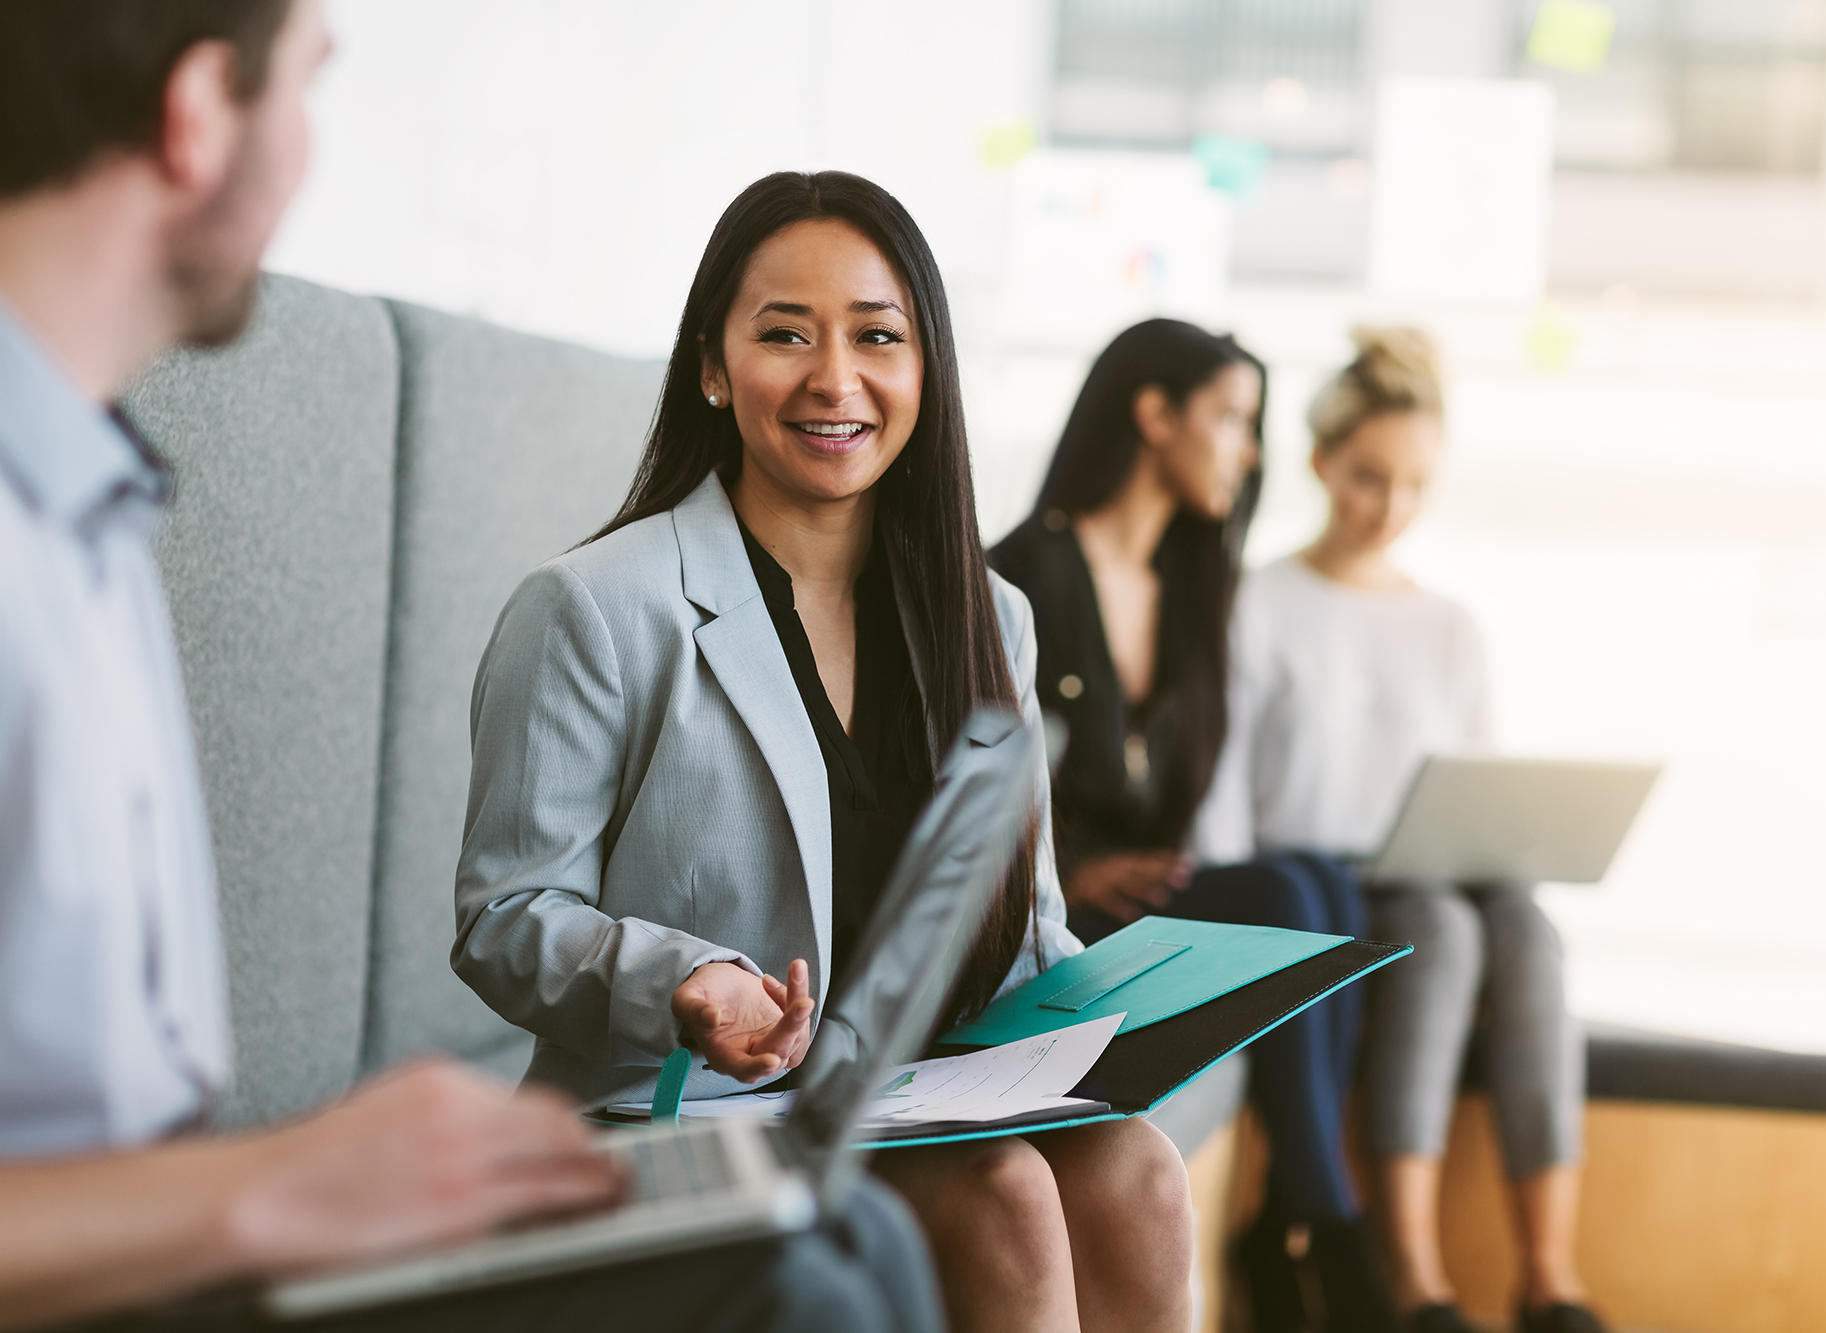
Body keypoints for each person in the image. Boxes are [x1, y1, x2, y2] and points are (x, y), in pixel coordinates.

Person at [0, 4, 942, 1330]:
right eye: (312, 87)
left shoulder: (87, 503)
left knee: (855, 1250)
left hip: (159, 1243)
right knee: (816, 1293)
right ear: (202, 108)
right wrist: (277, 1184)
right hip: (143, 1267)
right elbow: (505, 917)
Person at [453, 169, 1195, 1333]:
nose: (833, 378)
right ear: (712, 366)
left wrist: (1142, 1013)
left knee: (1137, 1169)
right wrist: (681, 981)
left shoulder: (986, 616)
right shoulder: (593, 606)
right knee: (1000, 1192)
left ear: (924, 370)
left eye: (877, 337)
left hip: (916, 1098)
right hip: (679, 1125)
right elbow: (505, 919)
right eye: (784, 334)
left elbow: (1029, 927)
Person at [988, 319, 1399, 1333]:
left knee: (1319, 883)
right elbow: (969, 802)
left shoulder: (1194, 593)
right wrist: (1073, 875)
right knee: (1283, 893)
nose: (1247, 451)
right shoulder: (1019, 580)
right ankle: (1333, 1240)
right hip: (1055, 918)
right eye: (1230, 419)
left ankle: (1297, 1226)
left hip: (1133, 902)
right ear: (1152, 415)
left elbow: (1177, 810)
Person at [1197, 328, 1604, 1333]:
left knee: (1527, 928)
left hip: (1432, 863)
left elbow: (1481, 791)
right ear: (1319, 461)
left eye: (1415, 483)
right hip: (1324, 875)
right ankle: (1412, 1279)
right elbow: (1224, 794)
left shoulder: (1449, 625)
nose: (1390, 507)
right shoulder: (1257, 602)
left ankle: (1549, 1279)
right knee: (1443, 927)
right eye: (1369, 477)